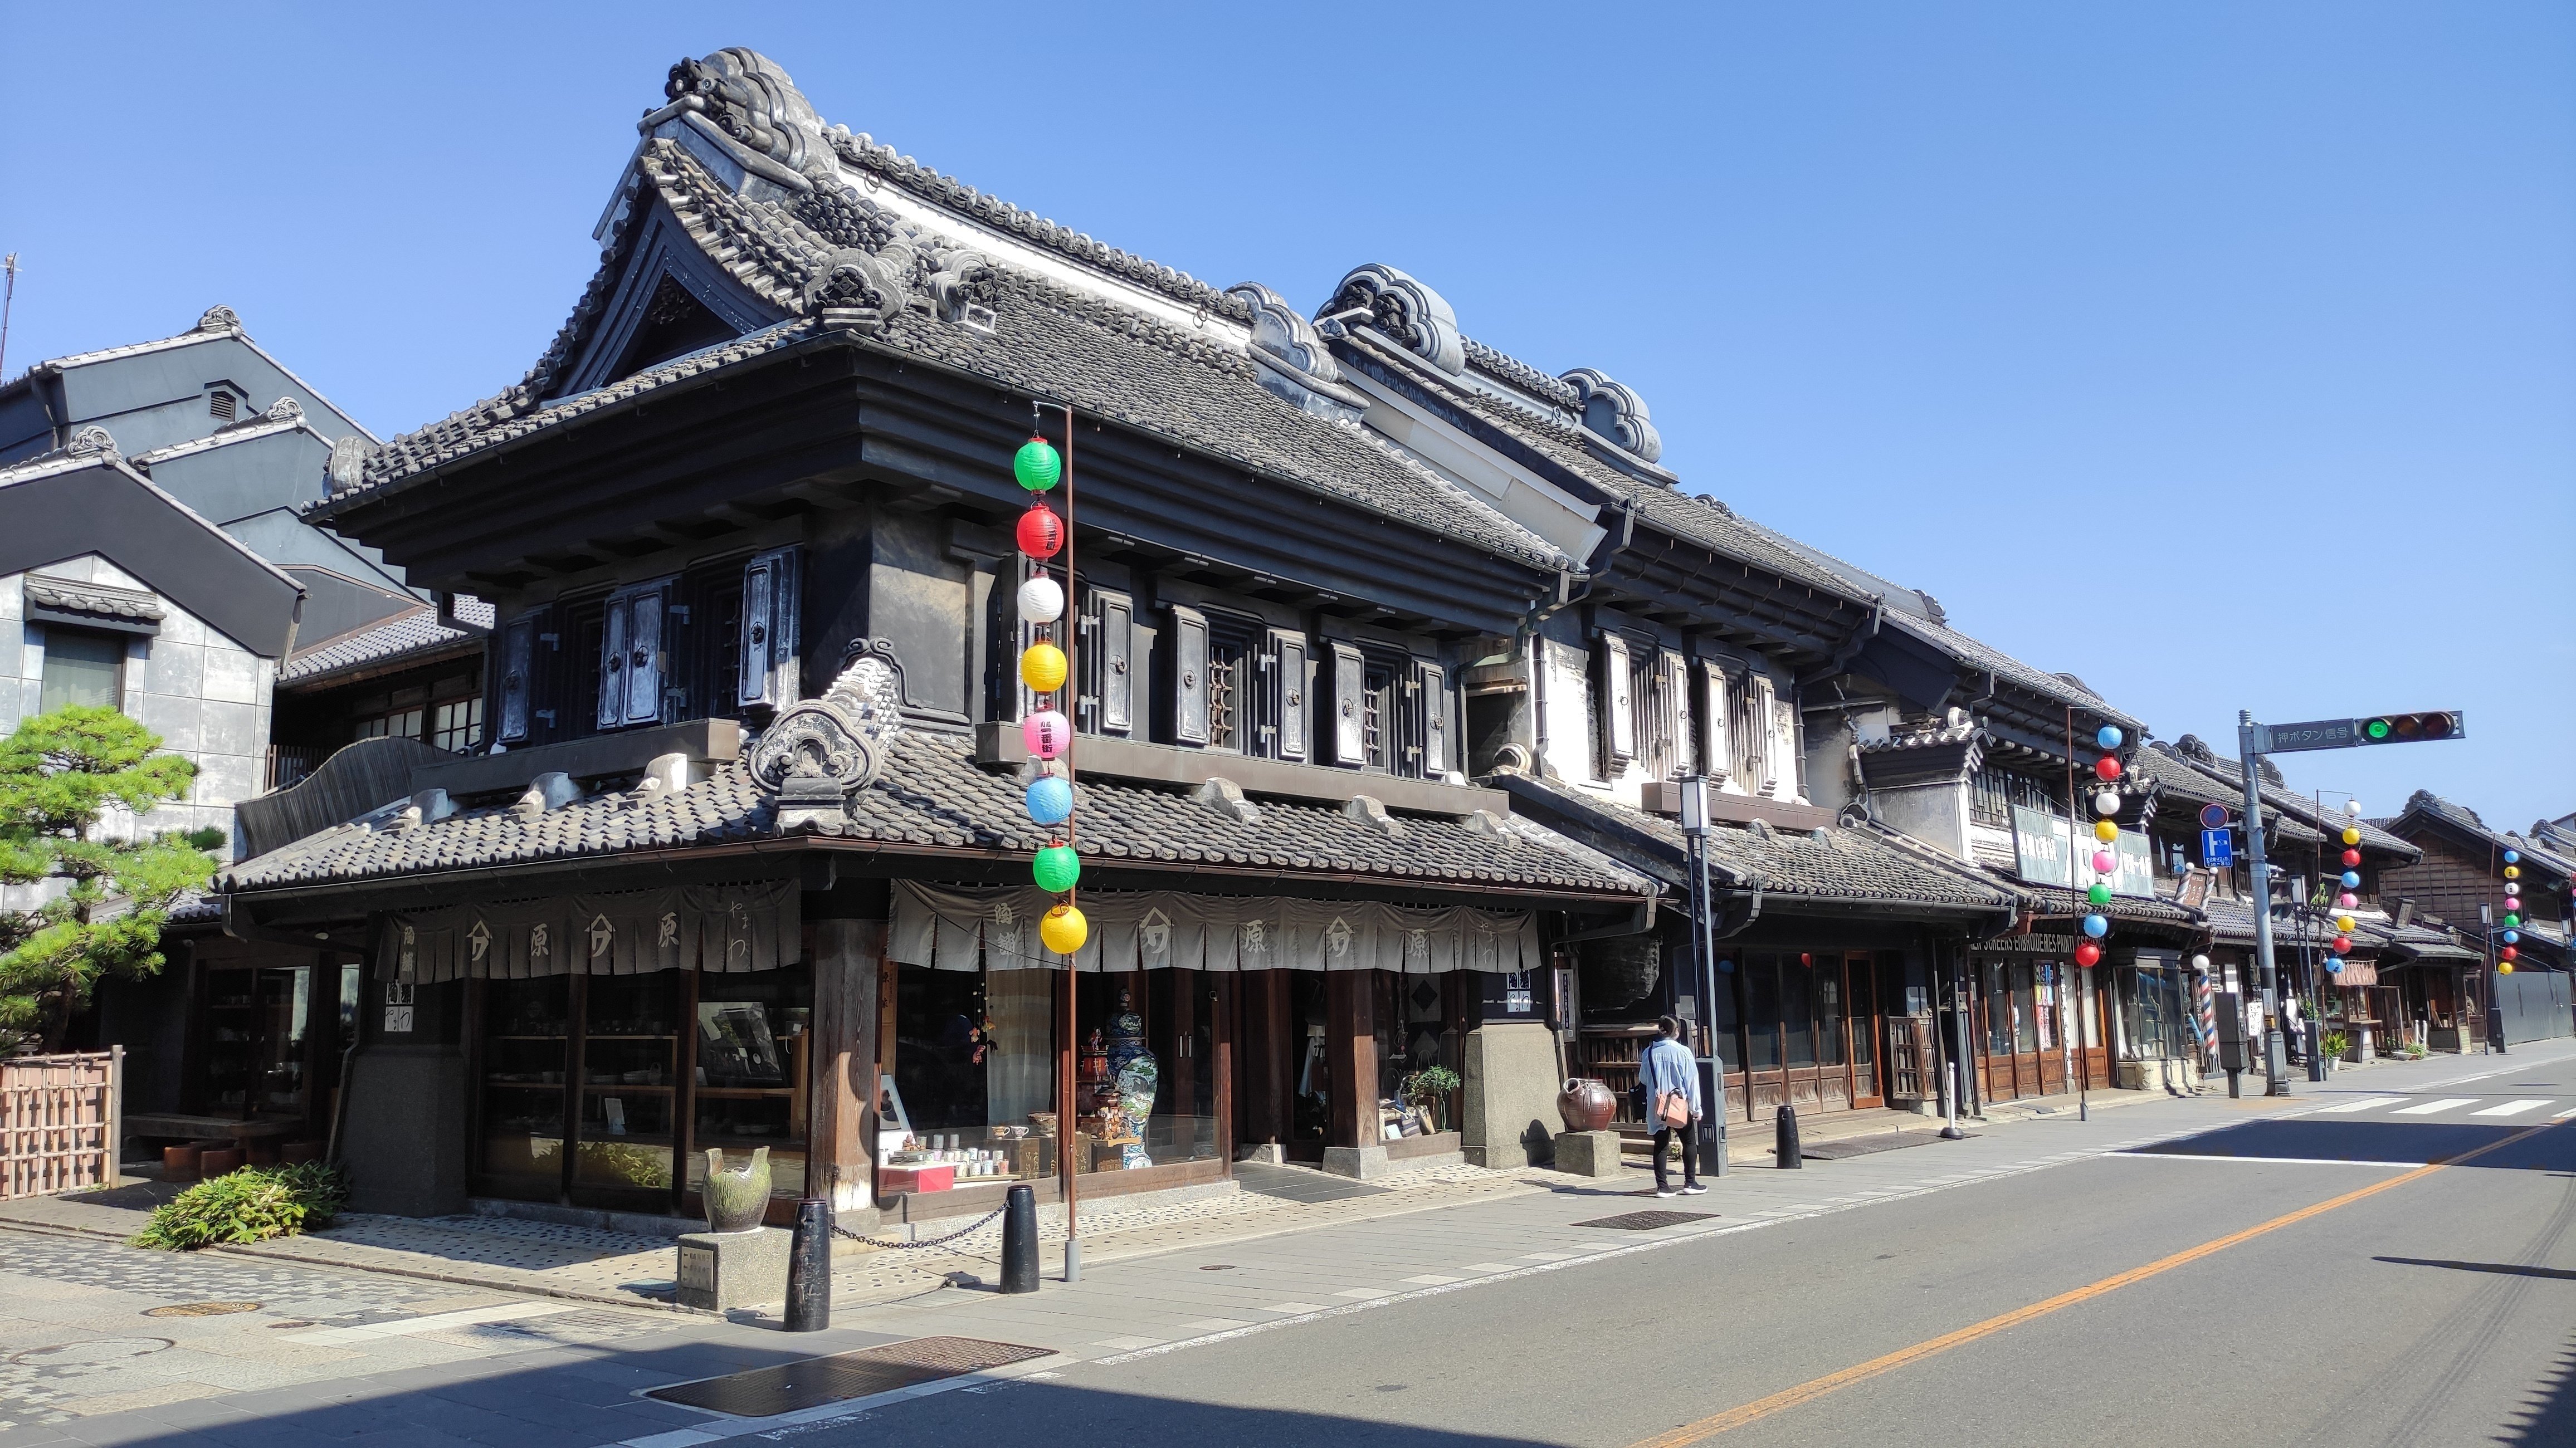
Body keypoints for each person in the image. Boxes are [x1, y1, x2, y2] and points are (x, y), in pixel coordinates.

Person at [1637, 1015, 1705, 1198]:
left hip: (1657, 1104)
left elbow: (1643, 1079)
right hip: (1679, 1103)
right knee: (1689, 1141)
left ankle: (1662, 1187)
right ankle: (1690, 1183)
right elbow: (1692, 1081)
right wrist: (1696, 1108)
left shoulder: (1649, 1052)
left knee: (1660, 1145)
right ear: (1677, 1031)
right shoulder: (1683, 1052)